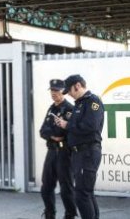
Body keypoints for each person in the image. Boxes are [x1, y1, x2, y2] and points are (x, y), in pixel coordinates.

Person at [56, 75, 105, 219]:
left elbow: (91, 126)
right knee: (86, 193)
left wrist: (68, 125)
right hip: (79, 154)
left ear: (77, 86)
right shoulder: (79, 103)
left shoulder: (93, 101)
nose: (69, 95)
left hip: (88, 152)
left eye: (69, 91)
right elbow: (77, 126)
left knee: (81, 195)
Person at [40, 80, 77, 219]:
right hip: (51, 151)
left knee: (66, 188)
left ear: (64, 91)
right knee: (46, 187)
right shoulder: (51, 109)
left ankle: (70, 215)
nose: (54, 93)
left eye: (57, 90)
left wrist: (56, 133)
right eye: (52, 90)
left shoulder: (69, 109)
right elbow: (42, 131)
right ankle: (50, 213)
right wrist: (52, 135)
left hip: (64, 153)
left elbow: (69, 132)